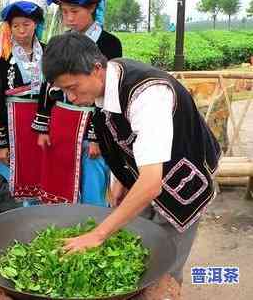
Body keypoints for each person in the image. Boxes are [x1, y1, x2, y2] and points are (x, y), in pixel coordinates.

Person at [42, 33, 221, 285]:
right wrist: (121, 180)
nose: (70, 97)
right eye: (63, 90)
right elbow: (123, 138)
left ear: (96, 69)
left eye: (72, 88)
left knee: (164, 269)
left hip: (184, 181)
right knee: (137, 246)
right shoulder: (106, 81)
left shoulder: (148, 95)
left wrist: (97, 234)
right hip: (150, 173)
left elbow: (150, 184)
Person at [33, 0, 123, 207]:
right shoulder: (59, 43)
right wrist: (44, 125)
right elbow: (48, 85)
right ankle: (64, 224)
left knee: (93, 180)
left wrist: (96, 136)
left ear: (92, 7)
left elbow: (109, 90)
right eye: (64, 12)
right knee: (61, 179)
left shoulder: (109, 43)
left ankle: (95, 225)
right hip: (63, 122)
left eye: (74, 11)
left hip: (92, 120)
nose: (69, 18)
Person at [0, 1, 47, 204]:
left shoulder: (48, 53)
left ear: (36, 24)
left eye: (26, 24)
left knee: (42, 170)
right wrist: (0, 143)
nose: (21, 30)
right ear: (9, 28)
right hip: (14, 125)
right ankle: (11, 214)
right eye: (16, 25)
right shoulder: (1, 58)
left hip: (42, 124)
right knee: (12, 170)